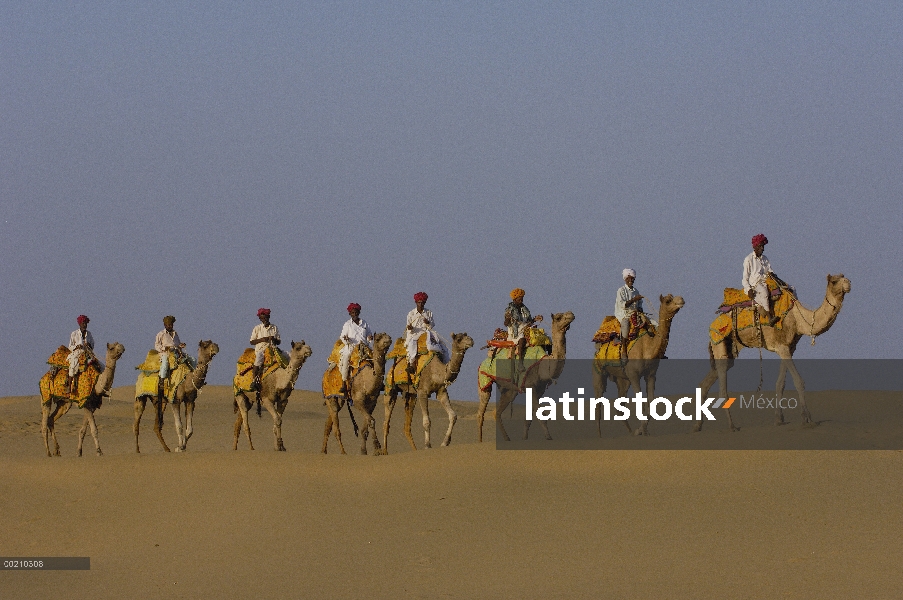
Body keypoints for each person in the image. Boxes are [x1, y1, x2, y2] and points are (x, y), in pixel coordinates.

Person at [614, 269, 653, 366]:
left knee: (652, 324)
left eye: (632, 278)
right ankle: (624, 351)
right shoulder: (621, 290)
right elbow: (623, 304)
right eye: (628, 278)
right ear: (625, 279)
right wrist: (634, 299)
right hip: (624, 314)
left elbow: (639, 305)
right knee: (626, 325)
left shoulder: (636, 291)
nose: (630, 280)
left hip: (635, 313)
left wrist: (639, 309)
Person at [405, 292, 448, 374]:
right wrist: (410, 328)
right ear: (416, 303)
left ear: (425, 303)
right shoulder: (411, 314)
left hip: (427, 333)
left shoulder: (428, 313)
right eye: (419, 302)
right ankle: (412, 364)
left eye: (422, 303)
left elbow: (432, 325)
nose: (421, 304)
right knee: (412, 345)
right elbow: (408, 328)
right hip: (414, 334)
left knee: (442, 345)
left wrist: (428, 322)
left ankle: (446, 364)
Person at [742, 234, 779, 326]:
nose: (762, 248)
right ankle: (769, 317)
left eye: (763, 246)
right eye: (760, 246)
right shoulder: (749, 259)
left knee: (788, 289)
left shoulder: (765, 259)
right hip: (755, 285)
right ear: (755, 247)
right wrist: (748, 289)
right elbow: (745, 278)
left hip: (766, 281)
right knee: (764, 292)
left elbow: (770, 271)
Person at [505, 288, 543, 372]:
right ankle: (520, 364)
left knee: (542, 337)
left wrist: (535, 319)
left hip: (525, 329)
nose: (521, 301)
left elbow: (528, 322)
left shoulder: (524, 309)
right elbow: (505, 323)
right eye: (519, 299)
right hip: (515, 332)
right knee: (522, 340)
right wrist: (508, 319)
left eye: (522, 299)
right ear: (514, 299)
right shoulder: (509, 310)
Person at [339, 303, 374, 394]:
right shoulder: (347, 324)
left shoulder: (364, 323)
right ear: (350, 314)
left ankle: (377, 380)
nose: (355, 314)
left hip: (364, 347)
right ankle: (343, 383)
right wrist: (346, 339)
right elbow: (342, 337)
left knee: (376, 359)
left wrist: (370, 338)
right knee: (345, 359)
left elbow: (369, 334)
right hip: (351, 347)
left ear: (359, 312)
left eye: (356, 312)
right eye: (353, 312)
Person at [66, 315, 99, 394]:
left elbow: (92, 344)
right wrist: (77, 346)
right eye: (83, 323)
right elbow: (70, 346)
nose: (85, 325)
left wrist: (89, 345)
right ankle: (69, 386)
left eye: (85, 323)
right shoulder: (74, 334)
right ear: (80, 324)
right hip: (77, 353)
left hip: (87, 353)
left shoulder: (89, 334)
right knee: (74, 365)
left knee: (99, 366)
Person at [155, 315, 186, 397]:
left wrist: (181, 345)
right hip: (165, 353)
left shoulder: (175, 334)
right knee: (165, 364)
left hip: (176, 352)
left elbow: (177, 344)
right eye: (168, 325)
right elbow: (156, 345)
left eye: (171, 325)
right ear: (165, 325)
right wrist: (164, 348)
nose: (170, 326)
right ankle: (161, 380)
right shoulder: (161, 334)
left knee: (190, 360)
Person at [250, 308, 280, 390]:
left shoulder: (274, 328)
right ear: (260, 318)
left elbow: (279, 341)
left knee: (286, 357)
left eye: (266, 317)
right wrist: (263, 339)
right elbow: (252, 342)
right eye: (262, 318)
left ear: (268, 317)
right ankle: (254, 380)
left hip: (272, 350)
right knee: (258, 360)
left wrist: (273, 339)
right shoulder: (257, 328)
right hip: (261, 350)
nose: (264, 319)